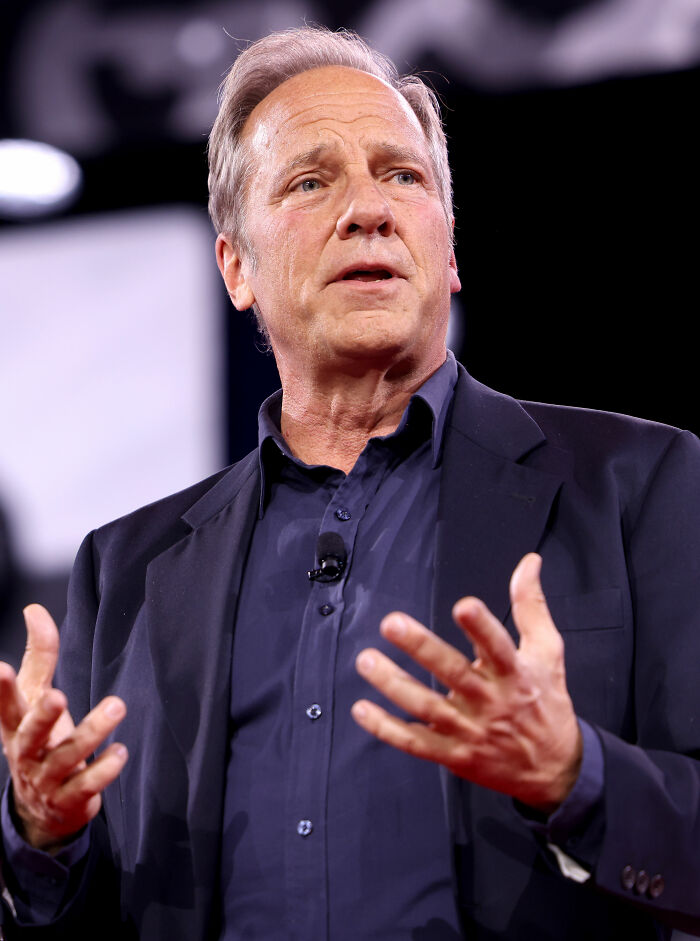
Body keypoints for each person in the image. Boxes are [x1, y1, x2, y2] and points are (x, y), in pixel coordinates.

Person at [1, 25, 700, 941]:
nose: (368, 208)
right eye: (310, 181)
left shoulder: (636, 485)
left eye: (402, 176)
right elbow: (88, 917)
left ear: (447, 252)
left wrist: (577, 774)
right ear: (236, 267)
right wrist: (40, 838)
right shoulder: (125, 569)